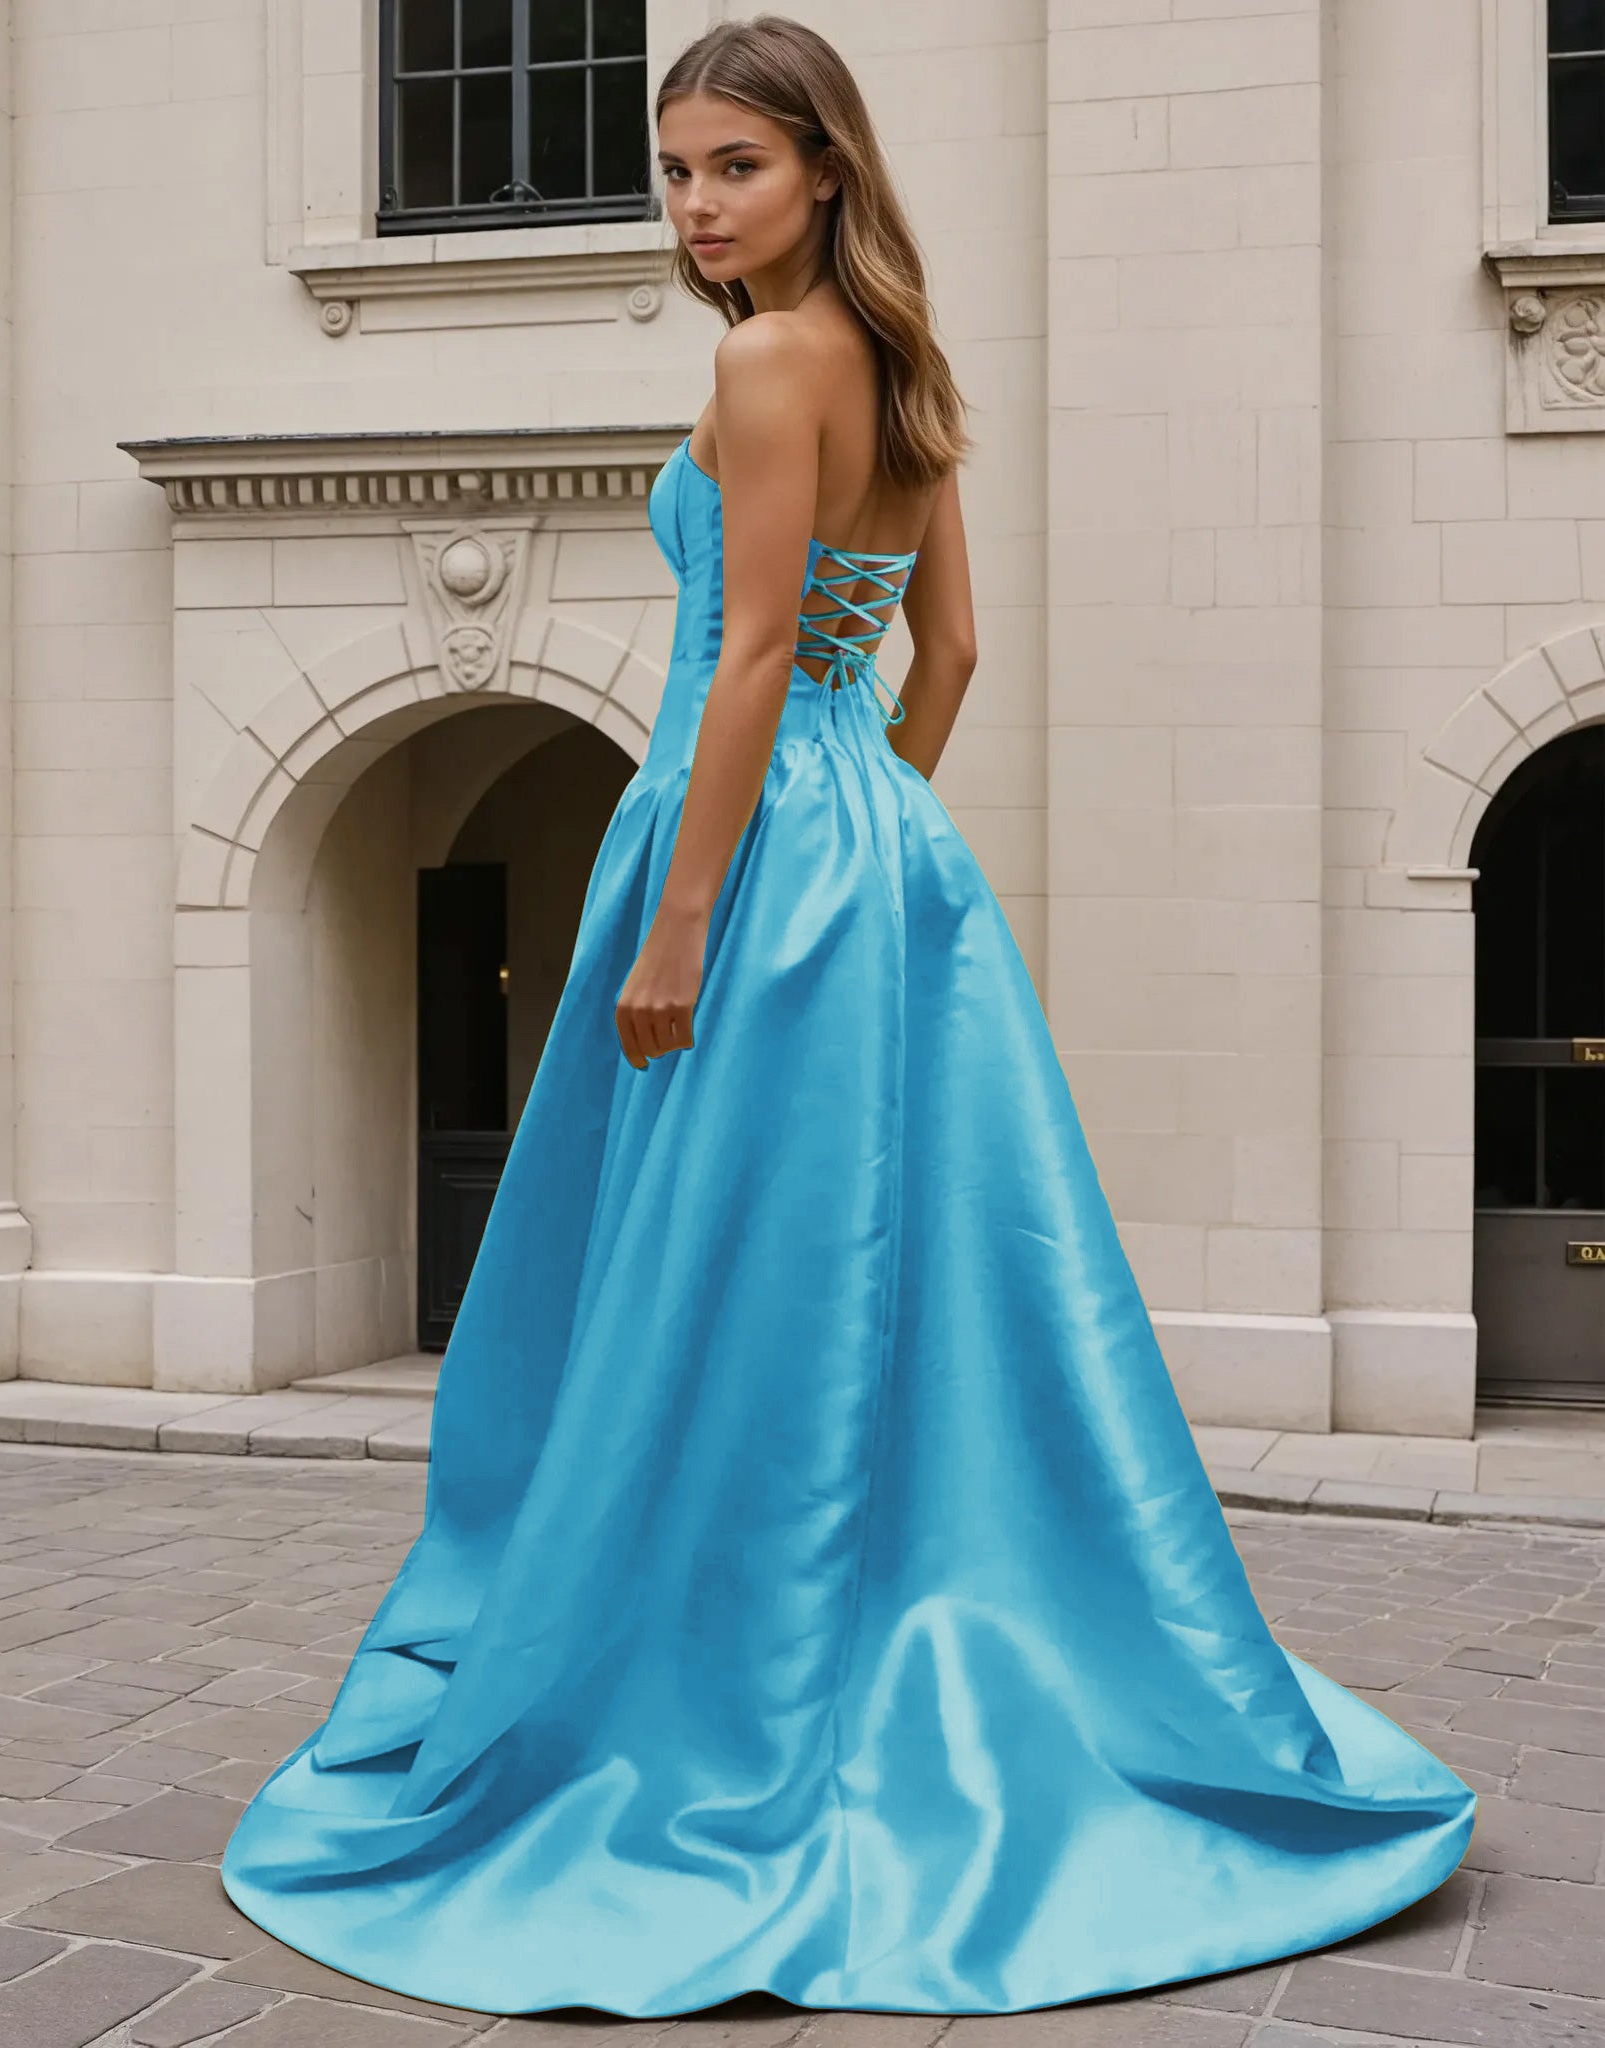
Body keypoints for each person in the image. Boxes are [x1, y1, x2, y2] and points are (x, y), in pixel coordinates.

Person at [219, 13, 1476, 2019]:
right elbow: (946, 651)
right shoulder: (903, 364)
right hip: (881, 852)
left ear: (825, 167)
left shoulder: (765, 363)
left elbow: (740, 666)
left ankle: (713, 1672)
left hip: (739, 851)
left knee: (714, 1268)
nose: (698, 207)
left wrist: (683, 923)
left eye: (735, 165)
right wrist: (870, 812)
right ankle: (895, 1620)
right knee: (890, 1273)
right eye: (676, 172)